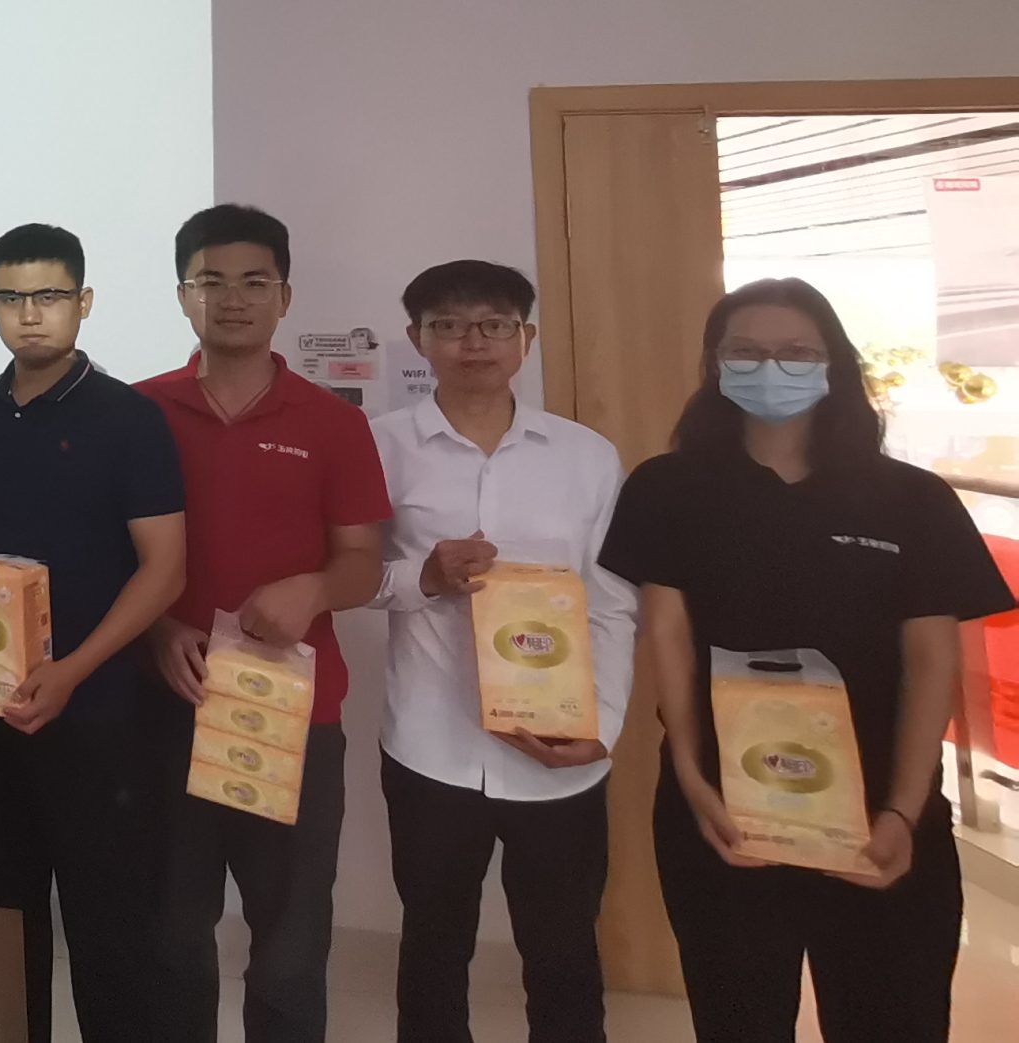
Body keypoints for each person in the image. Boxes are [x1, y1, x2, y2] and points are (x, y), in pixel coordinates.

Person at [598, 277, 1014, 1043]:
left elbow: (932, 659)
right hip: (723, 806)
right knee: (738, 1018)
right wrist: (692, 779)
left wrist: (902, 811)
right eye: (746, 351)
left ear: (835, 364)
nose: (771, 368)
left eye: (795, 351)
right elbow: (668, 633)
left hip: (882, 808)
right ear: (715, 364)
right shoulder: (667, 487)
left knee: (892, 1018)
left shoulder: (912, 498)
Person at [135, 203, 390, 1043]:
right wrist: (157, 630)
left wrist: (312, 589)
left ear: (285, 296)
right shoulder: (137, 413)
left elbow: (362, 562)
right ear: (183, 295)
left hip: (294, 717)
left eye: (254, 281)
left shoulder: (334, 422)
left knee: (290, 942)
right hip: (168, 707)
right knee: (171, 930)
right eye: (210, 281)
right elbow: (108, 561)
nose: (232, 298)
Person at [368, 261, 637, 1043]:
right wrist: (422, 575)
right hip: (430, 743)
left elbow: (613, 600)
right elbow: (353, 575)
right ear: (418, 338)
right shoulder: (379, 446)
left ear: (527, 337)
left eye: (493, 323)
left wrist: (602, 724)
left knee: (563, 951)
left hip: (560, 748)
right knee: (433, 943)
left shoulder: (587, 455)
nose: (472, 341)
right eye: (449, 325)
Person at [0, 224, 187, 1043]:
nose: (30, 313)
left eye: (48, 295)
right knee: (1, 927)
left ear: (84, 301)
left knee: (110, 931)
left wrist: (73, 669)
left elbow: (165, 570)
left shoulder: (129, 417)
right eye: (11, 296)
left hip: (95, 717)